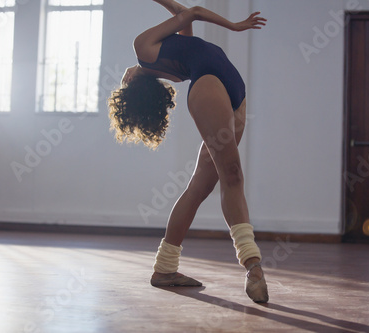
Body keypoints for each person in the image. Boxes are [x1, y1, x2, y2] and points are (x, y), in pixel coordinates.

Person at [108, 0, 268, 303]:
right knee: (232, 177)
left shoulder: (162, 62)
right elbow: (192, 11)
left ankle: (165, 268)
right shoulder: (146, 51)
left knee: (199, 187)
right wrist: (236, 27)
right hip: (212, 92)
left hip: (235, 101)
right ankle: (253, 265)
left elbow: (184, 22)